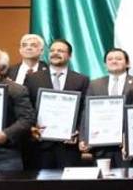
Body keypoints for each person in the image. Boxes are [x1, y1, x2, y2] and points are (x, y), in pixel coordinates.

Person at [23, 38, 90, 169]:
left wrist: (78, 132)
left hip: (69, 144)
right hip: (40, 144)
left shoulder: (81, 79)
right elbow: (26, 107)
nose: (55, 53)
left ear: (69, 55)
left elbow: (84, 110)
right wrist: (31, 128)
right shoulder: (33, 78)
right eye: (52, 50)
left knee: (68, 186)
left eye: (60, 51)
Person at [80, 47, 133, 166]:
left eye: (119, 58)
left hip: (128, 146)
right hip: (101, 146)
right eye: (110, 59)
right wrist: (83, 138)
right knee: (103, 182)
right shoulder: (95, 84)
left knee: (128, 182)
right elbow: (87, 112)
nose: (114, 61)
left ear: (127, 63)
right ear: (105, 64)